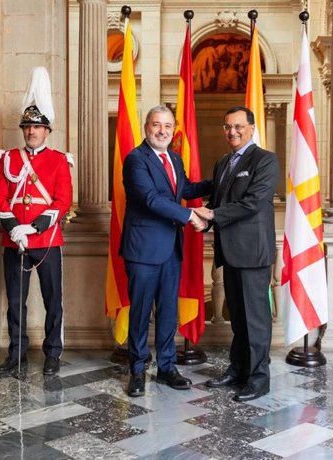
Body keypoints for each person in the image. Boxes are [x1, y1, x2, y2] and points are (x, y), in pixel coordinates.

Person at [120, 105, 212, 397]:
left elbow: (183, 190)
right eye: (156, 125)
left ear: (174, 130)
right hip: (143, 250)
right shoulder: (136, 159)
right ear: (146, 127)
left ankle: (167, 367)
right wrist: (190, 216)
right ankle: (136, 370)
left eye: (168, 126)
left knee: (168, 312)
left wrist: (222, 178)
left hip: (171, 249)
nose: (162, 131)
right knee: (141, 312)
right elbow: (150, 199)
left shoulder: (174, 157)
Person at [194, 106, 279, 402]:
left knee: (255, 318)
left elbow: (253, 202)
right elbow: (214, 193)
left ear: (252, 128)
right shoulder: (223, 162)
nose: (232, 131)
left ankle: (258, 378)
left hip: (253, 252)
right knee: (239, 317)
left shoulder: (265, 160)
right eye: (228, 126)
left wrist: (212, 213)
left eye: (239, 126)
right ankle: (238, 369)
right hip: (229, 252)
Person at [0, 67, 73, 376]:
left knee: (53, 300)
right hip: (14, 241)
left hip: (47, 241)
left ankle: (52, 353)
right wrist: (15, 229)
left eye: (36, 128)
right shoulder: (8, 158)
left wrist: (35, 227)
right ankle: (17, 354)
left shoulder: (59, 161)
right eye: (26, 127)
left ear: (47, 131)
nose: (30, 132)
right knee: (15, 301)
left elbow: (62, 200)